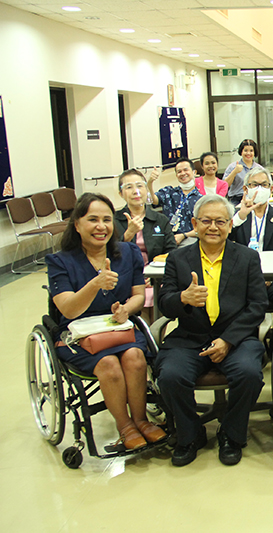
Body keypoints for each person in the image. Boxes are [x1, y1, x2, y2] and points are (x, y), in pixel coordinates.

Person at [46, 193, 166, 451]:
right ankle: (124, 426)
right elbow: (68, 308)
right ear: (77, 224)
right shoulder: (60, 262)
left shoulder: (128, 252)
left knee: (135, 357)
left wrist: (125, 310)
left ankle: (141, 420)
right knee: (109, 364)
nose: (101, 226)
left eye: (107, 220)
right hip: (78, 335)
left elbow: (137, 296)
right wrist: (95, 284)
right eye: (92, 220)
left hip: (118, 327)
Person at [156, 194, 268, 466]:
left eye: (220, 221)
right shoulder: (178, 259)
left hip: (236, 338)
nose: (213, 227)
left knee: (249, 374)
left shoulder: (247, 257)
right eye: (206, 221)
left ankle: (231, 433)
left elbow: (257, 306)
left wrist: (228, 341)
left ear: (230, 225)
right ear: (195, 223)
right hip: (189, 338)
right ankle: (190, 434)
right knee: (169, 376)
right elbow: (164, 303)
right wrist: (183, 298)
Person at [230, 168, 273, 313]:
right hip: (244, 278)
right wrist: (240, 217)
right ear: (245, 188)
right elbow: (224, 242)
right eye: (254, 185)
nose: (259, 189)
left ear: (271, 188)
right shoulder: (237, 216)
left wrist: (271, 278)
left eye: (264, 185)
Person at [115, 169, 177, 323]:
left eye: (139, 185)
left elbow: (171, 251)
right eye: (128, 187)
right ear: (121, 194)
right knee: (141, 321)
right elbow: (110, 254)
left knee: (158, 316)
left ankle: (155, 343)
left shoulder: (159, 219)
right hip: (127, 278)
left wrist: (153, 274)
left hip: (155, 278)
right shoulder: (114, 221)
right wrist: (128, 235)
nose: (135, 191)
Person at [146, 157, 201, 246]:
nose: (183, 173)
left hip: (189, 239)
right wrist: (150, 182)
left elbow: (202, 228)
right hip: (167, 237)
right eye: (179, 172)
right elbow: (153, 200)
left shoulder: (201, 199)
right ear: (176, 175)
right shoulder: (169, 192)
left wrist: (183, 235)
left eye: (186, 170)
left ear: (194, 172)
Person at [222, 139, 264, 206]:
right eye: (245, 150)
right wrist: (235, 172)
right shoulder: (233, 166)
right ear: (241, 152)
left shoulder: (259, 169)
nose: (248, 153)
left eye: (251, 151)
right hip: (236, 199)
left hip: (255, 198)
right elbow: (224, 185)